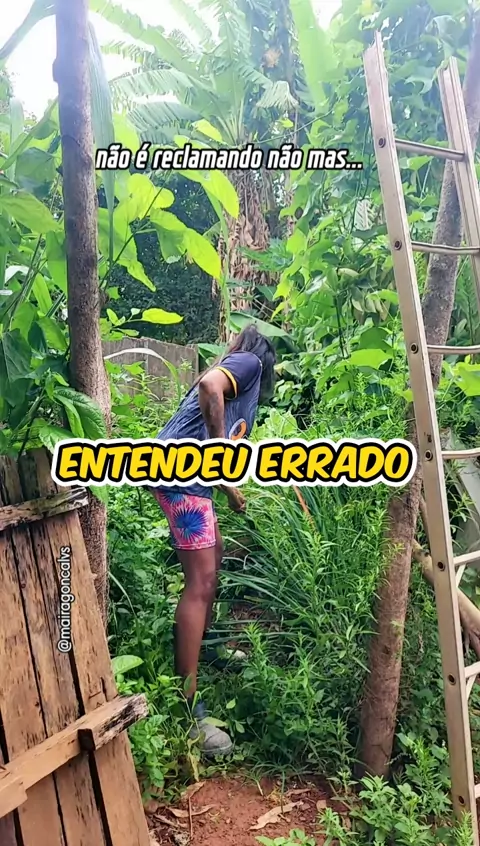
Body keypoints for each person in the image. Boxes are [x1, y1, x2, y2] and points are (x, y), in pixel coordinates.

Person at [151, 324, 276, 758]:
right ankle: (189, 709)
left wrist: (228, 487)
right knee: (200, 583)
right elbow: (210, 385)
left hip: (186, 477)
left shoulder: (241, 383)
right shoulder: (250, 362)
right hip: (179, 477)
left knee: (215, 553)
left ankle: (208, 646)